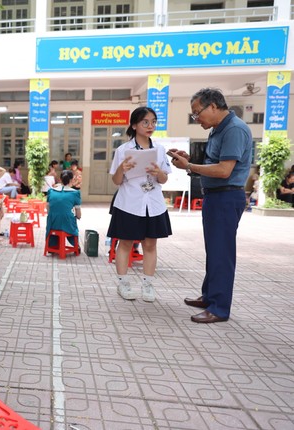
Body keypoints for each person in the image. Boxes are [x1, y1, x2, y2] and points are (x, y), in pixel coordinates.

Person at [169, 88, 252, 323]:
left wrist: (189, 166)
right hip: (215, 197)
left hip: (226, 197)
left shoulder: (234, 129)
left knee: (222, 253)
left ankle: (219, 308)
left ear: (213, 106)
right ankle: (209, 296)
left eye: (197, 113)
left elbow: (224, 170)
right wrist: (190, 160)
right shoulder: (218, 129)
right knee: (214, 251)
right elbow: (214, 163)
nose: (196, 118)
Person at [108, 106, 172, 303]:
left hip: (153, 203)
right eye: (145, 122)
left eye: (153, 122)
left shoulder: (159, 150)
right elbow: (116, 181)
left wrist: (158, 173)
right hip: (129, 202)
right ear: (134, 125)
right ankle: (123, 283)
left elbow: (164, 180)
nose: (150, 126)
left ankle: (148, 284)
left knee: (150, 244)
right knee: (126, 243)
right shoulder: (123, 150)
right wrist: (121, 168)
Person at [45, 170, 81, 249]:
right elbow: (78, 214)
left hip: (53, 222)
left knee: (56, 220)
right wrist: (78, 217)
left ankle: (52, 246)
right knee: (72, 222)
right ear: (72, 180)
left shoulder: (51, 191)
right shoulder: (75, 193)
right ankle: (76, 246)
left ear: (60, 179)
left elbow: (48, 208)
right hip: (67, 222)